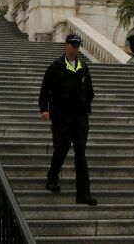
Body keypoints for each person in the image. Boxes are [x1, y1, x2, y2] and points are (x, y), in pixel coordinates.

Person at [38, 32, 97, 206]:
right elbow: (44, 91)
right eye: (72, 45)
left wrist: (86, 107)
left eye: (77, 46)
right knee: (61, 147)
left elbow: (90, 92)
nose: (74, 48)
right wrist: (44, 109)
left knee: (80, 153)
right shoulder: (55, 67)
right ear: (66, 45)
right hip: (61, 116)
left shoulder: (83, 67)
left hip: (79, 117)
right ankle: (52, 177)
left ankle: (83, 194)